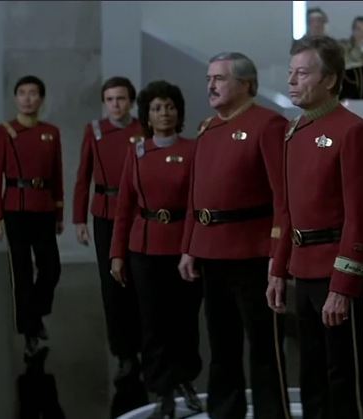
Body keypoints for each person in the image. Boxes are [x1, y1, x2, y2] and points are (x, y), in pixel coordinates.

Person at [268, 35, 363, 419]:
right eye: (290, 73)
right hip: (302, 268)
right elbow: (286, 211)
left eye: (302, 73)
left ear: (330, 79)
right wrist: (278, 269)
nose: (291, 81)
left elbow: (361, 217)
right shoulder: (293, 132)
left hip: (334, 270)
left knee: (341, 374)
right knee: (311, 373)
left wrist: (343, 285)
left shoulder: (353, 131)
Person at [177, 52, 291, 419]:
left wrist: (277, 254)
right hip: (212, 253)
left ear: (246, 84)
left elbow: (283, 197)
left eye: (220, 79)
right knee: (222, 345)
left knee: (264, 345)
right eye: (209, 79)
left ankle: (272, 414)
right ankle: (225, 412)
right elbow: (195, 195)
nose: (210, 86)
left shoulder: (268, 125)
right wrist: (189, 246)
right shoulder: (207, 129)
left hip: (252, 253)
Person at [110, 80, 202, 418]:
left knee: (185, 318)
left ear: (179, 112)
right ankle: (161, 388)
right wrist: (117, 253)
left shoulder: (194, 150)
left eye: (170, 107)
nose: (165, 113)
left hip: (183, 246)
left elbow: (197, 203)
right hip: (144, 248)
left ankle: (185, 379)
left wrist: (192, 247)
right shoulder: (137, 152)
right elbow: (124, 206)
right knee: (152, 321)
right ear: (147, 116)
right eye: (157, 108)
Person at [71, 76, 148, 413]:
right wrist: (78, 219)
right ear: (104, 103)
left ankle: (146, 347)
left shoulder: (143, 128)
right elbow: (83, 175)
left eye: (121, 99)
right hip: (105, 213)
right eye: (110, 99)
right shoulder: (95, 131)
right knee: (112, 285)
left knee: (141, 281)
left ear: (131, 101)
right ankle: (124, 353)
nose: (116, 105)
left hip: (139, 213)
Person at [0, 75, 64, 359]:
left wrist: (59, 212)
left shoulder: (51, 132)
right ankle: (30, 332)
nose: (27, 98)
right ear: (15, 98)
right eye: (22, 93)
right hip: (15, 209)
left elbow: (57, 174)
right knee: (21, 273)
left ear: (41, 99)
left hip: (43, 208)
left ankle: (36, 312)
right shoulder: (2, 132)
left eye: (33, 93)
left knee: (51, 268)